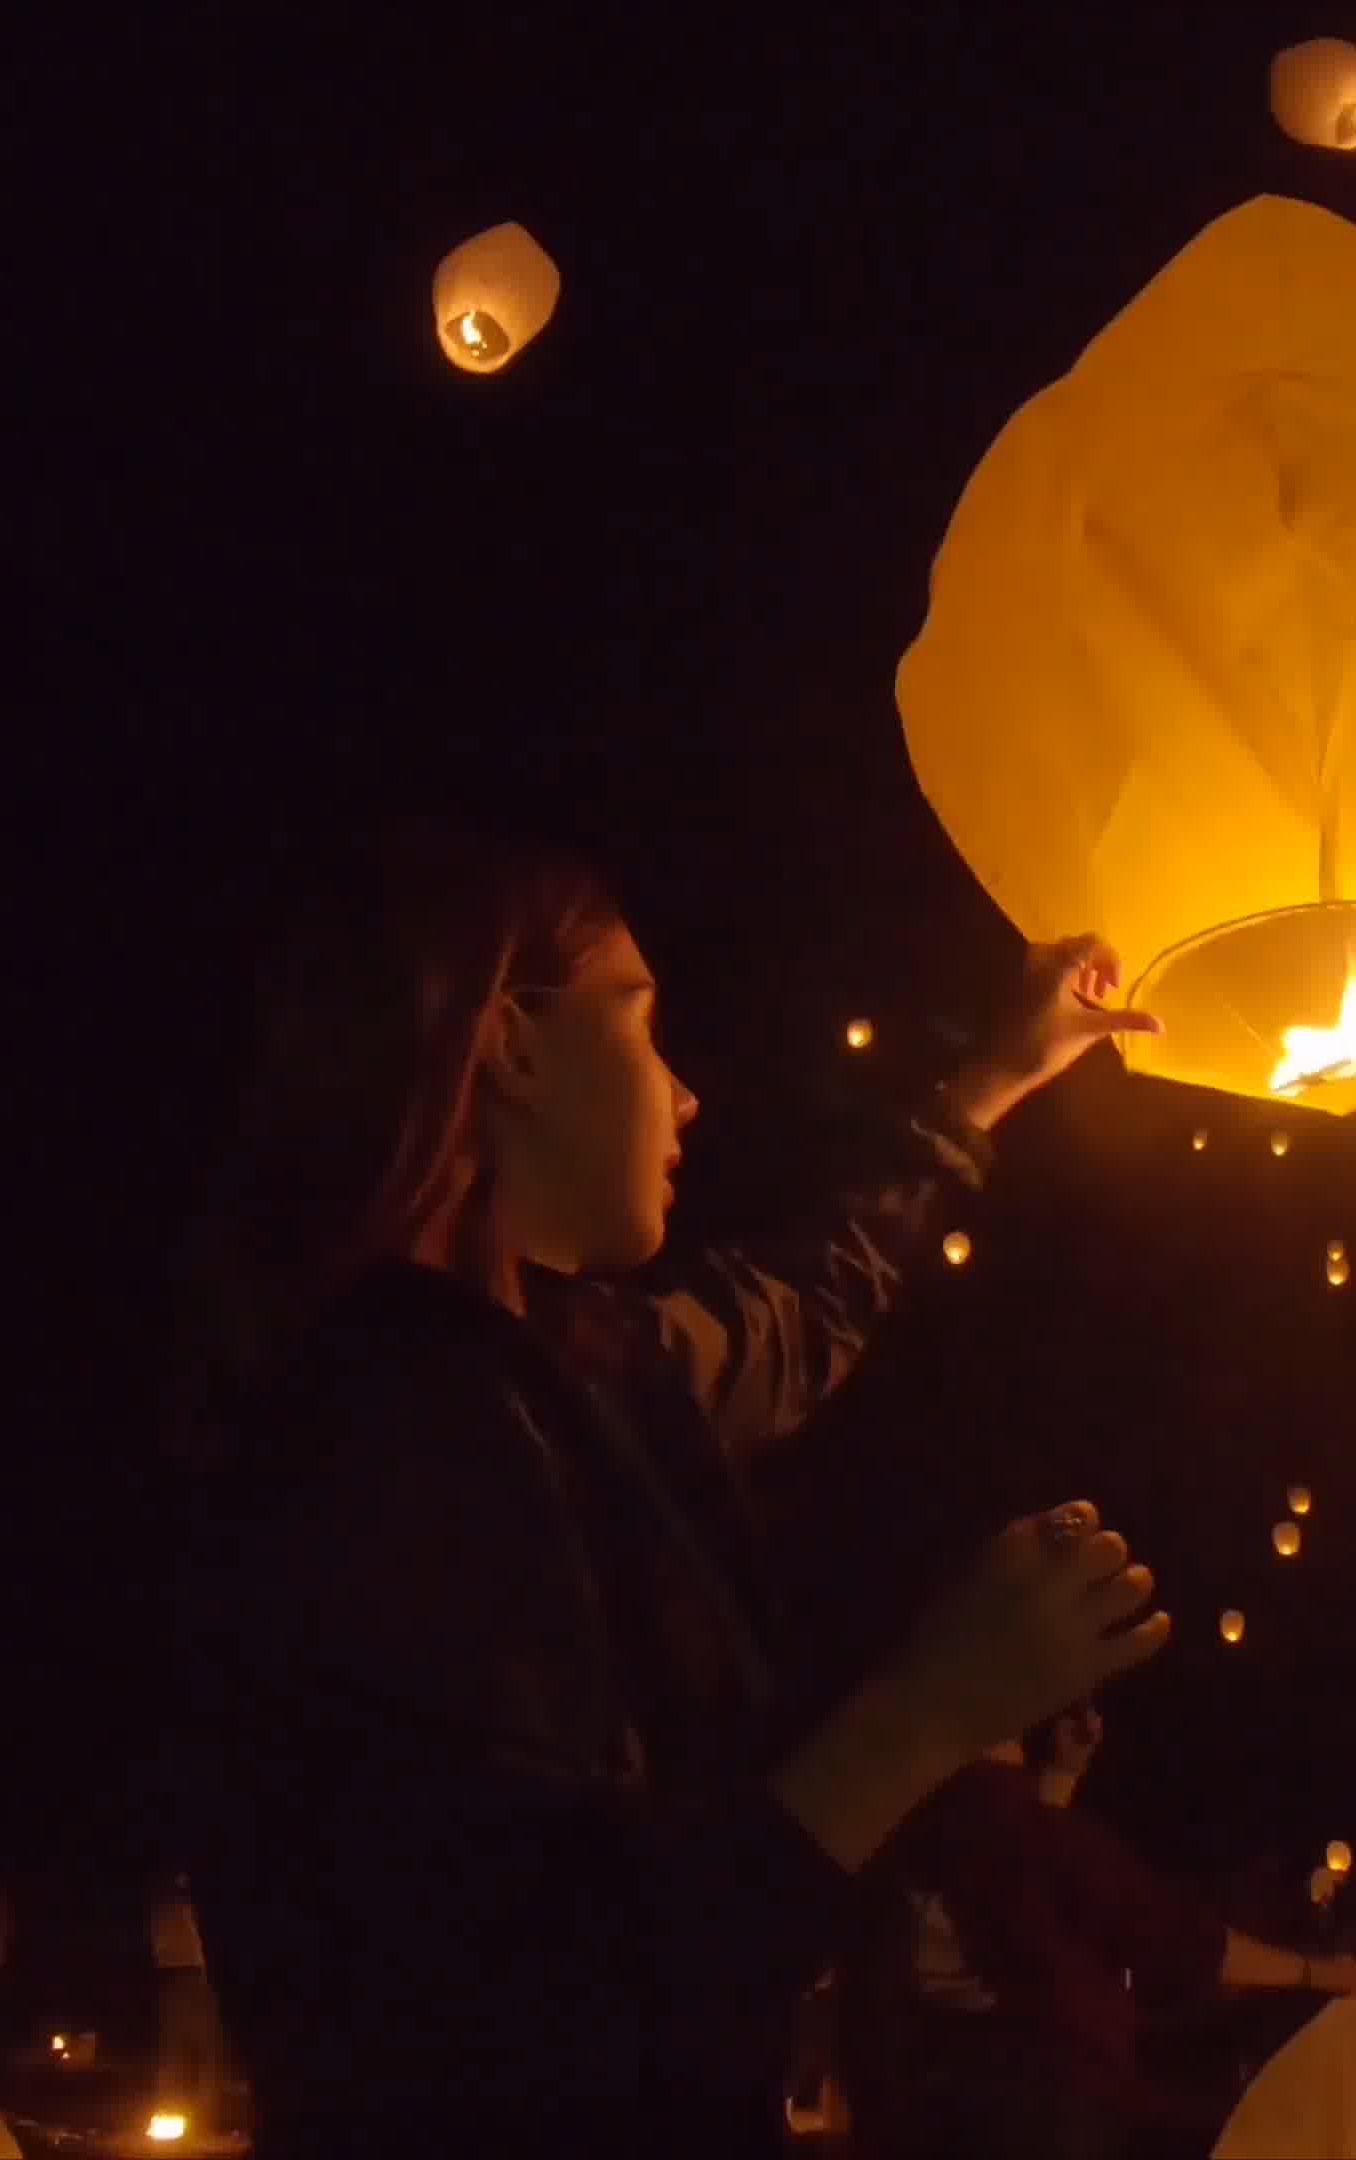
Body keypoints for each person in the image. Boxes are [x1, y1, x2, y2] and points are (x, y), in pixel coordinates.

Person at [165, 824, 1176, 2155]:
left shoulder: (591, 1365)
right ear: (510, 1043)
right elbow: (557, 1985)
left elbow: (799, 1305)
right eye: (642, 1025)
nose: (687, 1096)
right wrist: (932, 1709)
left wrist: (992, 1080)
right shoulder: (390, 1433)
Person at [851, 1697, 1356, 2158]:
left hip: (929, 2109)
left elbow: (1019, 1901)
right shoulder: (1037, 1842)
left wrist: (1059, 1779)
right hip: (1043, 2117)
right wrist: (1316, 1973)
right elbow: (1179, 1939)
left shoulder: (912, 1843)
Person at [149, 1870, 230, 2118]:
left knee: (174, 2049)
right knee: (207, 2049)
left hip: (168, 1977)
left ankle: (171, 2108)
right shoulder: (186, 1905)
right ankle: (205, 2113)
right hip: (194, 1974)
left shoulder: (158, 1905)